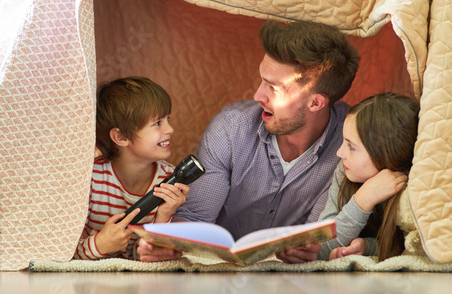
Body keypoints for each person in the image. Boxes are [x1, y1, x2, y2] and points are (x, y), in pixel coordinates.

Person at [138, 19, 361, 263]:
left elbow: (322, 236)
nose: (257, 95)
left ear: (316, 103)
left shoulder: (350, 146)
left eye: (273, 88)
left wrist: (310, 250)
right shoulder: (231, 128)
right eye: (262, 79)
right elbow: (193, 217)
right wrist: (169, 245)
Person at [278, 92, 420, 263]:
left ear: (385, 155)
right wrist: (367, 246)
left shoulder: (413, 189)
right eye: (343, 142)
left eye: (351, 147)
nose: (340, 153)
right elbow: (321, 245)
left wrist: (363, 200)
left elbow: (410, 247)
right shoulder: (344, 171)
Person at [73, 76, 190, 260]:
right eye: (158, 123)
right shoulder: (90, 178)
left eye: (168, 119)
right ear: (120, 137)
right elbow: (62, 251)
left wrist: (163, 216)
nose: (170, 129)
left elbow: (144, 257)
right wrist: (99, 244)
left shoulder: (168, 177)